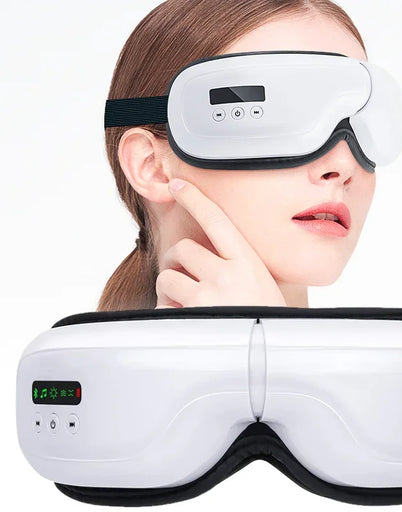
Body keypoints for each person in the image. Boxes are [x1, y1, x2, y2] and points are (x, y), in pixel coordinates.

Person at [98, 0, 374, 311]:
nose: (344, 164)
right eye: (277, 121)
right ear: (151, 166)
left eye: (363, 122)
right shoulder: (70, 346)